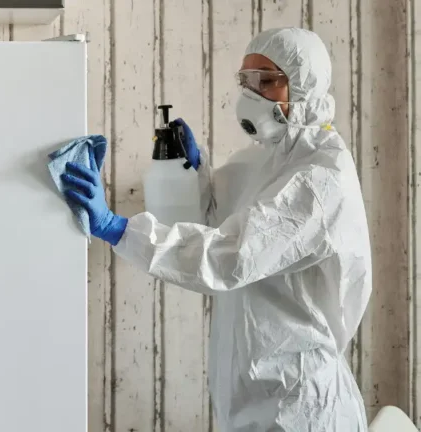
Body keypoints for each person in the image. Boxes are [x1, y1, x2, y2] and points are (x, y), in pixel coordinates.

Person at [61, 27, 371, 431]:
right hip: (251, 392)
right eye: (245, 80)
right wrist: (197, 175)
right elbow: (216, 221)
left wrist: (119, 229)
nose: (250, 94)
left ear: (302, 87)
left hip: (300, 403)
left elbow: (229, 256)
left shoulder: (319, 177)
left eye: (265, 81)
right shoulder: (266, 159)